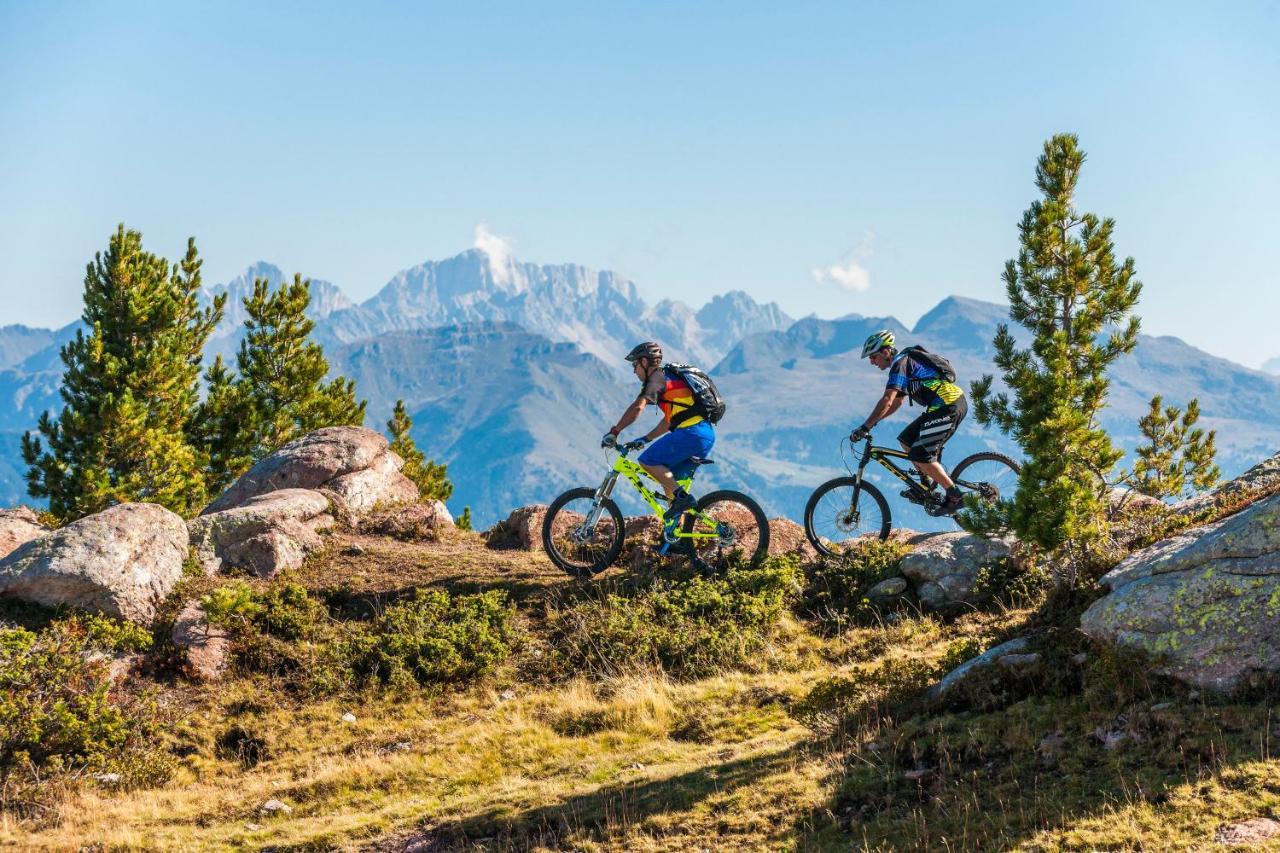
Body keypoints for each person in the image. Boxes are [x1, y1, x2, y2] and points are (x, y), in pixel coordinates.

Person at [850, 330, 968, 513]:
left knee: (920, 454)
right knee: (906, 440)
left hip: (949, 406)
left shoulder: (900, 364)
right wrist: (873, 423)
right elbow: (897, 402)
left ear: (885, 352)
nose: (871, 362)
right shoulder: (904, 365)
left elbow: (887, 400)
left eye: (873, 357)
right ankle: (925, 485)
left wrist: (865, 426)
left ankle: (954, 495)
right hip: (940, 408)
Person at [602, 341, 715, 524]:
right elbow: (669, 421)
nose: (634, 370)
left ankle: (683, 499)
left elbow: (638, 407)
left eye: (635, 365)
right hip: (703, 434)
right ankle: (674, 536)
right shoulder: (669, 380)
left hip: (691, 433)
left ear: (645, 362)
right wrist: (645, 439)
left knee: (648, 461)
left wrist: (615, 431)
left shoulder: (657, 379)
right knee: (669, 481)